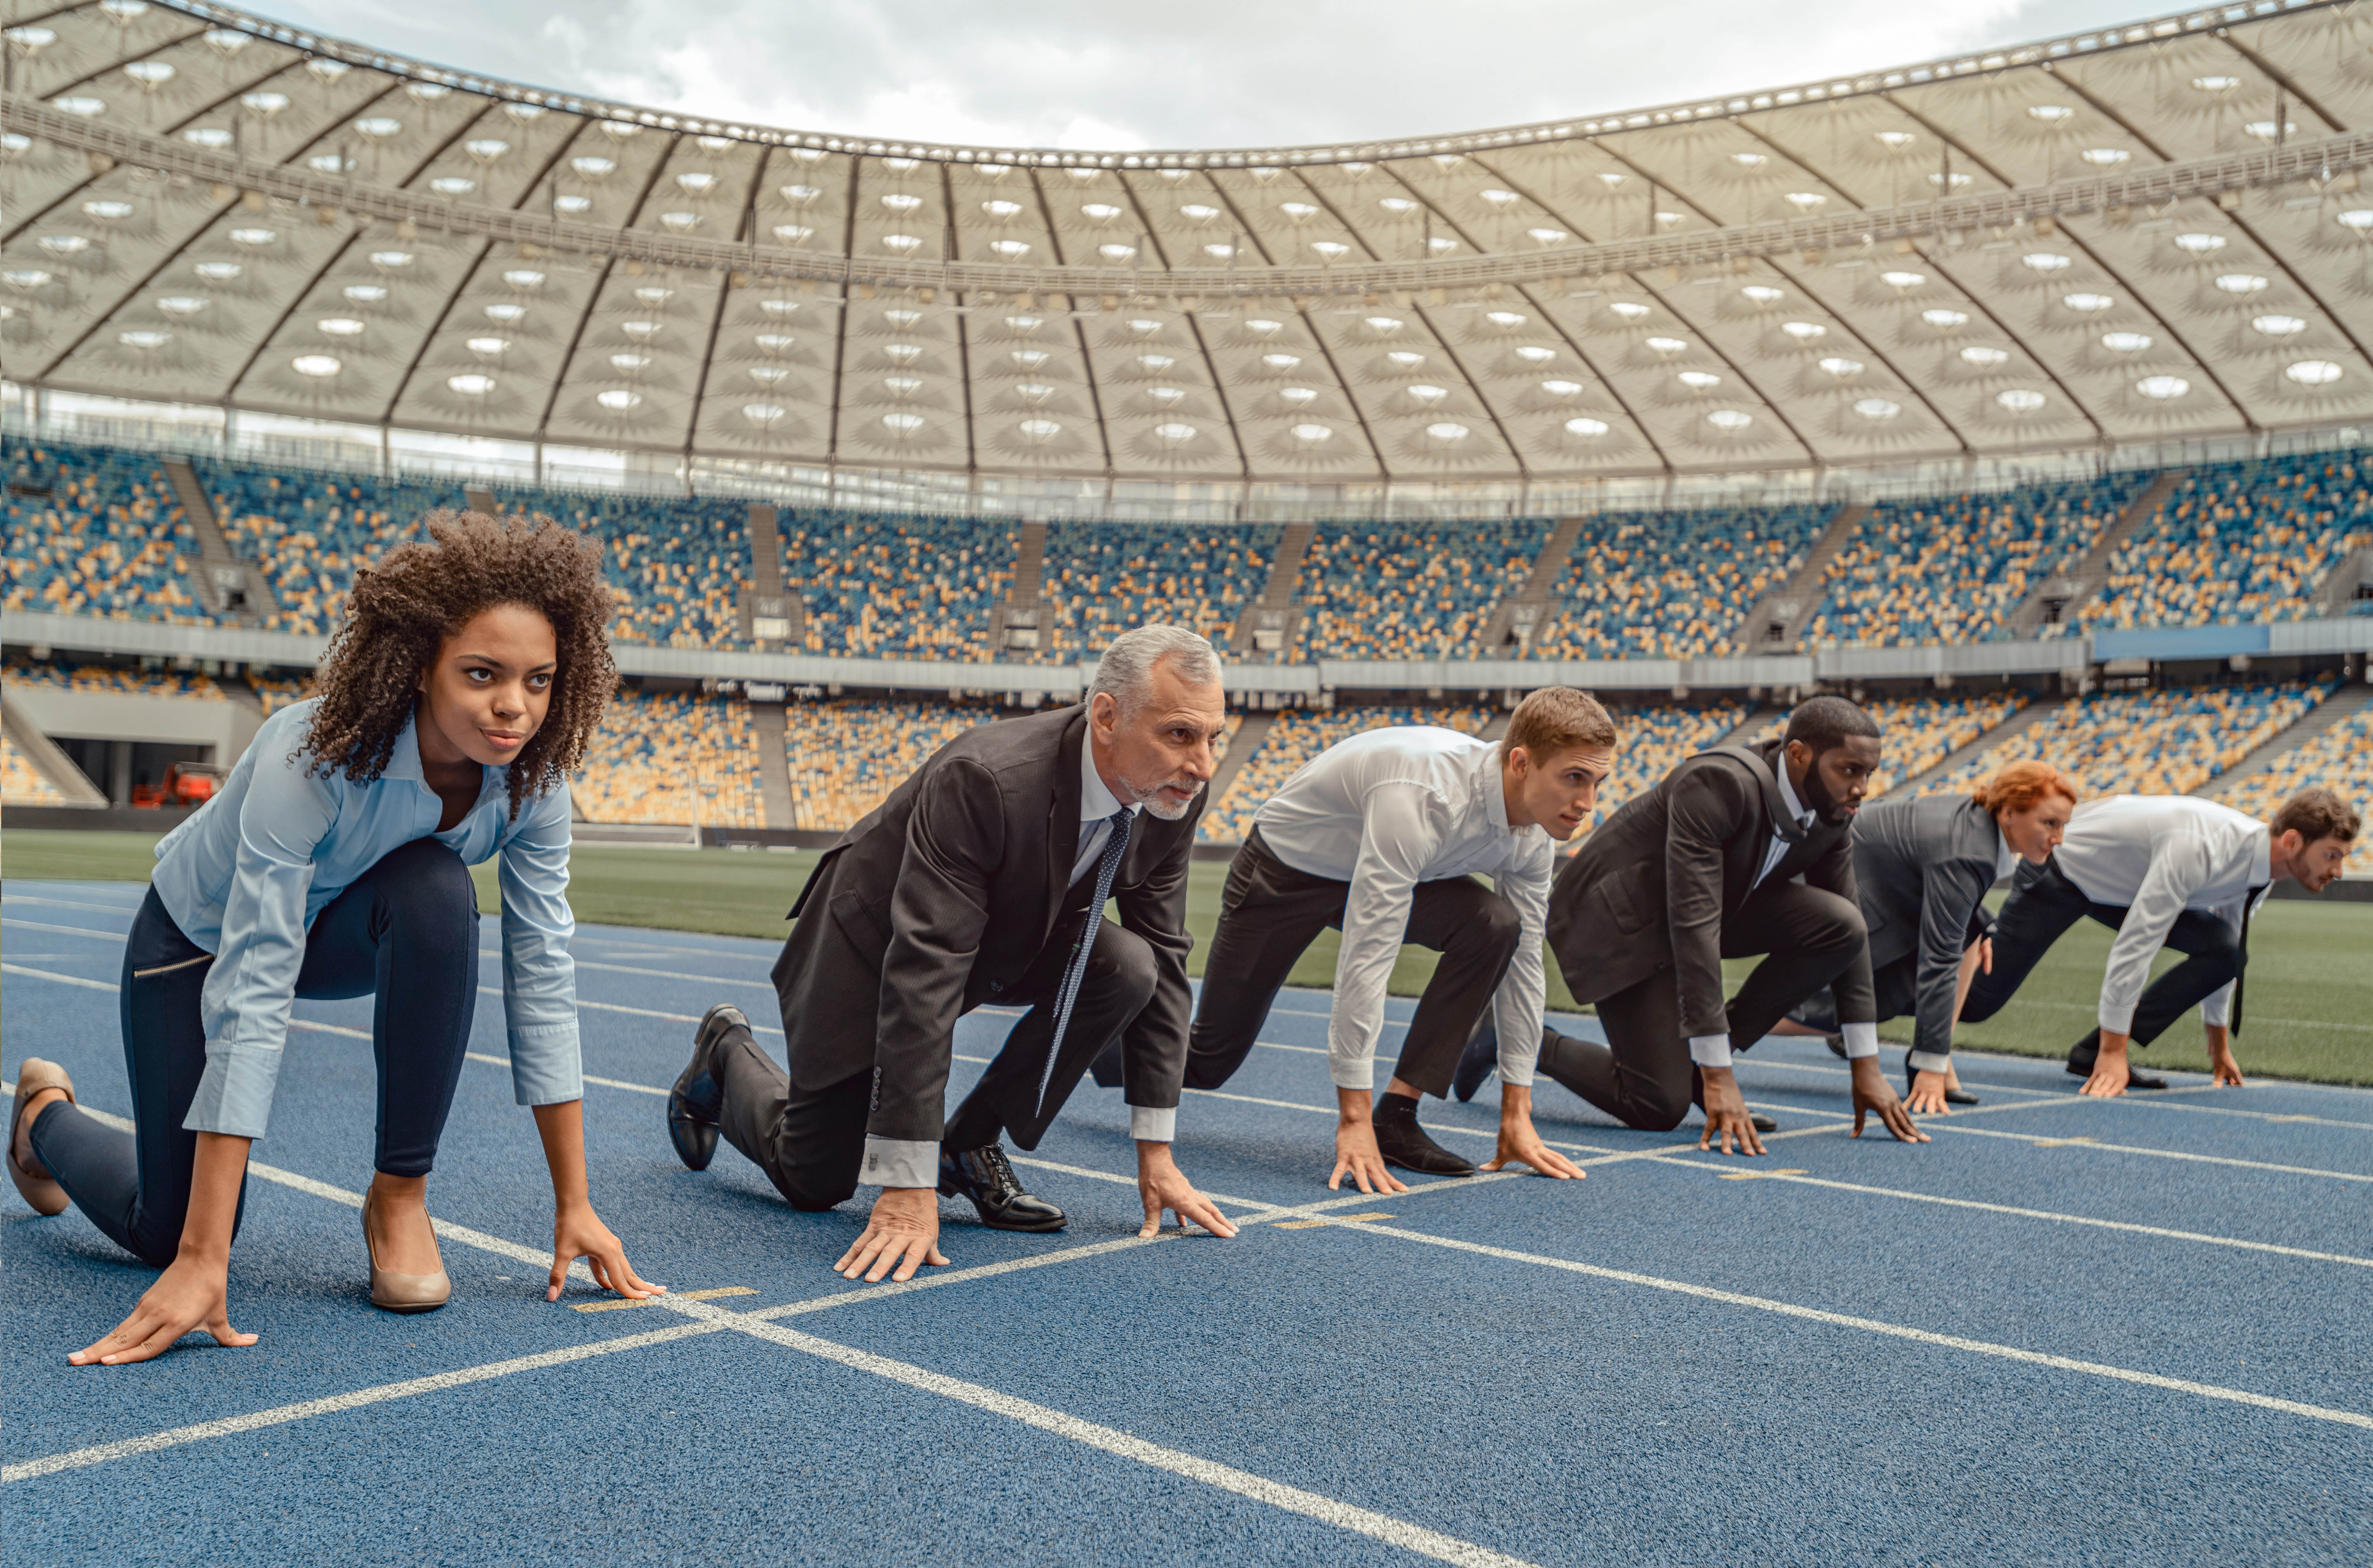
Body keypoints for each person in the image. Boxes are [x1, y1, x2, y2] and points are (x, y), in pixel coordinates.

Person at [5, 512, 660, 1366]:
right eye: (481, 674)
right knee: (171, 1231)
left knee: (436, 888)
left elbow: (541, 973)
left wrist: (575, 1202)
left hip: (344, 931)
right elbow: (253, 984)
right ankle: (43, 1120)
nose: (514, 706)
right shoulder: (311, 756)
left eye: (539, 681)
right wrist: (206, 1257)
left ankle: (399, 1196)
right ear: (419, 664)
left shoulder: (533, 786)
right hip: (195, 941)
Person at [665, 624, 1238, 1285]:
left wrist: (1158, 1152)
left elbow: (1165, 957)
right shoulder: (987, 780)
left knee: (1129, 966)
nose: (1202, 765)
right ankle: (724, 1050)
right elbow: (927, 967)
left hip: (1015, 932)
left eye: (1213, 737)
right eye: (1180, 734)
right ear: (1107, 717)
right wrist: (904, 1182)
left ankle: (966, 1146)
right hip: (872, 940)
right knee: (814, 1179)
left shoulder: (1169, 796)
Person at [1154, 688, 1615, 1195]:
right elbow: (1369, 954)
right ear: (1522, 763)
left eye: (1598, 781)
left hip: (1376, 867)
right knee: (1208, 1061)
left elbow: (1524, 963)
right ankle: (1102, 1036)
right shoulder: (1423, 794)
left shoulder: (1534, 831)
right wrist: (1351, 1119)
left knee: (1497, 927)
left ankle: (1397, 1115)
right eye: (1574, 778)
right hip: (1286, 873)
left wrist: (1517, 1112)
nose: (1587, 804)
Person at [1464, 695, 1926, 1155]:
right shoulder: (1718, 782)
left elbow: (1853, 931)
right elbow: (1694, 921)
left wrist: (1867, 1066)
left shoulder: (1831, 813)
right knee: (1657, 1106)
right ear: (1799, 754)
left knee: (1843, 926)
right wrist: (1718, 1075)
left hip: (1707, 910)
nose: (1862, 787)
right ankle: (1513, 1036)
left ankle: (1693, 1070)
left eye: (1868, 773)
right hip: (1616, 920)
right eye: (1849, 770)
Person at [1958, 785, 2360, 1096]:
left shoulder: (2261, 874)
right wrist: (2114, 1056)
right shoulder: (2201, 847)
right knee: (1978, 1002)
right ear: (2292, 841)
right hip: (2062, 871)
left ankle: (2089, 1051)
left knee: (2226, 948)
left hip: (2122, 885)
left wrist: (2218, 1050)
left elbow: (2228, 954)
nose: (2339, 870)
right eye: (2332, 856)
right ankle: (1908, 981)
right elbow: (2137, 943)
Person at [1772, 760, 2081, 1114]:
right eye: (2050, 823)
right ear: (2010, 813)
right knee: (1868, 1001)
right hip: (1834, 885)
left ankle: (1937, 1056)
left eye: (2063, 826)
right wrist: (1929, 1072)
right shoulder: (1970, 848)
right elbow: (1940, 958)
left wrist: (1982, 926)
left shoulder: (1979, 823)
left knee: (1970, 936)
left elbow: (1947, 889)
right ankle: (1728, 1027)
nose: (2059, 839)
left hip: (1876, 885)